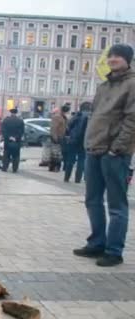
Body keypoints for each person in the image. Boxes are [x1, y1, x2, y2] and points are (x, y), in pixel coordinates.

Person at [74, 44, 135, 267]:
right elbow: (96, 117)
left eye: (118, 56)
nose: (113, 59)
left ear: (128, 60)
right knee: (92, 200)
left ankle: (114, 250)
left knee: (117, 204)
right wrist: (89, 143)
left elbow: (132, 120)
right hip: (94, 149)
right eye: (111, 56)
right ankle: (97, 243)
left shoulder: (132, 84)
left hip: (115, 154)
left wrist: (116, 148)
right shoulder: (103, 86)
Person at [64, 102, 90, 183]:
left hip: (73, 140)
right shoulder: (90, 116)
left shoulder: (77, 115)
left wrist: (69, 135)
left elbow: (69, 125)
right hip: (83, 141)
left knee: (70, 160)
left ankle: (66, 177)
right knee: (81, 160)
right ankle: (77, 179)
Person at [1, 108, 25, 173]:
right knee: (16, 156)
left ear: (10, 113)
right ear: (16, 113)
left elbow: (3, 130)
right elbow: (22, 131)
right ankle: (15, 168)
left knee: (6, 154)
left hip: (7, 141)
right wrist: (16, 138)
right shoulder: (20, 121)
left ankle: (4, 167)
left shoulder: (6, 120)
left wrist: (9, 137)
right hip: (16, 142)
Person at [49, 106, 68, 172]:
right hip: (57, 137)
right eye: (65, 111)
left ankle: (57, 167)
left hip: (62, 137)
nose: (66, 113)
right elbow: (53, 128)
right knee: (55, 153)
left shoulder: (64, 117)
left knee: (59, 153)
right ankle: (54, 167)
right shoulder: (57, 117)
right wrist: (54, 137)